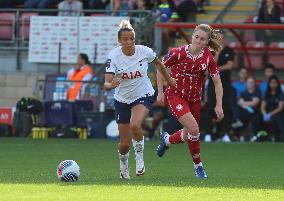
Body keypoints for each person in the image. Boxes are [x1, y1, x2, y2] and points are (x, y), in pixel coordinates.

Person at [103, 20, 175, 179]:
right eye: (125, 39)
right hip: (122, 99)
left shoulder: (145, 51)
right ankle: (123, 163)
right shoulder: (113, 56)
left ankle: (140, 158)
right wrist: (111, 84)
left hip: (143, 94)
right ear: (119, 41)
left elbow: (159, 65)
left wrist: (169, 81)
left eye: (132, 39)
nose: (129, 42)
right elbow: (106, 82)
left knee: (135, 125)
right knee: (124, 144)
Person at [156, 24, 224, 179]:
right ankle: (198, 167)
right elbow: (160, 69)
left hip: (194, 99)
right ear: (192, 36)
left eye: (202, 39)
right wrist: (160, 92)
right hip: (175, 95)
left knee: (189, 133)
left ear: (207, 42)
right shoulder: (178, 53)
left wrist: (219, 105)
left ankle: (166, 139)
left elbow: (218, 82)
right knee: (194, 129)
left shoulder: (208, 58)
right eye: (196, 37)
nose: (198, 40)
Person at [203, 29, 234, 142]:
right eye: (218, 38)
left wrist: (217, 69)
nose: (221, 40)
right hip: (213, 83)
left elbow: (230, 65)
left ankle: (225, 133)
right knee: (210, 107)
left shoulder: (230, 50)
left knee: (225, 107)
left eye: (222, 38)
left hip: (225, 83)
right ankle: (208, 133)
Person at [260, 75, 284, 142]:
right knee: (259, 118)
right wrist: (264, 114)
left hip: (278, 113)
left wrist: (270, 114)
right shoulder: (266, 93)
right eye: (271, 82)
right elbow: (262, 106)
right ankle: (261, 138)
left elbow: (280, 107)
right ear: (269, 84)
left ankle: (278, 138)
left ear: (277, 84)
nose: (273, 84)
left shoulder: (280, 93)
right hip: (268, 113)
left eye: (275, 82)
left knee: (278, 120)